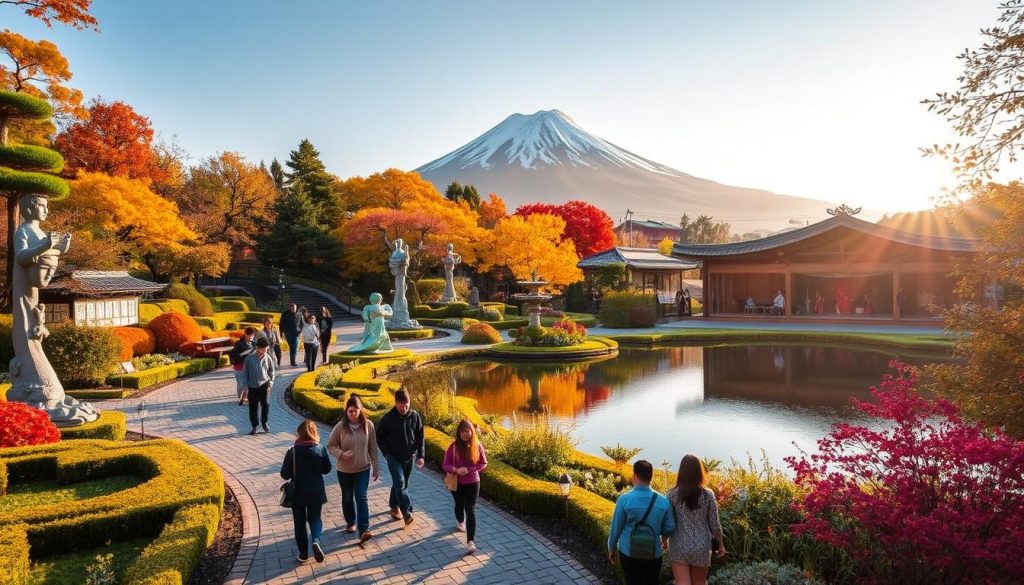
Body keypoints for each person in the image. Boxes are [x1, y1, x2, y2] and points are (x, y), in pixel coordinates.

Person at [608, 460, 676, 585]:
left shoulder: (624, 500)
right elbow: (670, 527)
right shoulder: (663, 501)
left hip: (628, 551)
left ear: (634, 477)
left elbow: (616, 527)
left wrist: (611, 547)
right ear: (651, 477)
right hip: (653, 552)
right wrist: (663, 537)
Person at [326, 396, 380, 544]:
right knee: (347, 497)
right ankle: (351, 521)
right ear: (346, 411)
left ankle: (364, 530)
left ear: (360, 410)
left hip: (363, 469)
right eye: (350, 412)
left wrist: (376, 467)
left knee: (361, 497)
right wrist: (342, 454)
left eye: (355, 411)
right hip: (344, 471)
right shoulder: (340, 427)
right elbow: (330, 446)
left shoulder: (368, 425)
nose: (353, 415)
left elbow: (373, 448)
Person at [666, 454, 725, 585]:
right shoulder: (707, 494)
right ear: (699, 472)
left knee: (682, 583)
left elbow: (668, 524)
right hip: (702, 545)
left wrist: (664, 541)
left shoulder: (671, 494)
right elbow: (715, 523)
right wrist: (720, 543)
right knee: (699, 582)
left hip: (679, 545)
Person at [280, 419, 332, 564]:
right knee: (315, 519)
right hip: (316, 491)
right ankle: (316, 540)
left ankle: (303, 553)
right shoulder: (320, 448)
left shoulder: (293, 451)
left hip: (298, 493)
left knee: (300, 523)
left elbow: (284, 474)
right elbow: (327, 469)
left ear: (299, 434)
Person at [375, 389, 425, 526]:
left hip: (410, 456)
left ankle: (393, 505)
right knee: (400, 482)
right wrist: (387, 454)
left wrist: (421, 455)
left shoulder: (415, 416)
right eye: (401, 405)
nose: (404, 408)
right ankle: (406, 511)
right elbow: (380, 438)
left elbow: (420, 436)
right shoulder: (387, 418)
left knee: (401, 484)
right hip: (393, 457)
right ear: (396, 403)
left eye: (406, 405)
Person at [442, 419, 488, 555]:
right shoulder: (453, 447)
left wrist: (470, 470)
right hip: (458, 483)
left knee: (470, 509)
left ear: (472, 432)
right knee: (459, 505)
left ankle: (470, 542)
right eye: (462, 431)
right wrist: (456, 469)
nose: (465, 434)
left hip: (473, 482)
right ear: (459, 433)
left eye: (467, 431)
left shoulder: (477, 445)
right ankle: (460, 520)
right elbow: (445, 464)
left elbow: (483, 463)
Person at [241, 336, 276, 434]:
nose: (265, 351)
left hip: (265, 385)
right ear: (258, 348)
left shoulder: (268, 357)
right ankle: (254, 426)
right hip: (252, 387)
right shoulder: (248, 359)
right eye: (263, 349)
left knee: (266, 406)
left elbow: (272, 371)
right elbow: (244, 374)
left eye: (266, 349)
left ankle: (264, 423)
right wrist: (245, 387)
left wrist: (271, 382)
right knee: (253, 407)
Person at [229, 326, 257, 405]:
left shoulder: (254, 344)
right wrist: (245, 353)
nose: (252, 337)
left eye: (253, 335)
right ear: (246, 334)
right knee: (241, 384)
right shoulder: (238, 344)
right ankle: (240, 397)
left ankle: (247, 398)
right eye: (250, 335)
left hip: (251, 367)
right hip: (240, 367)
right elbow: (235, 356)